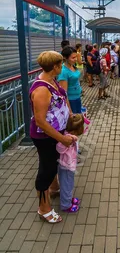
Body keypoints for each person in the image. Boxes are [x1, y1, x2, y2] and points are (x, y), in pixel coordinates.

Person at [29, 51, 78, 223]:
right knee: (46, 170)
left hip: (55, 133)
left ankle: (54, 188)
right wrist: (62, 138)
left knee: (53, 163)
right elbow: (40, 122)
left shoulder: (52, 80)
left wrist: (69, 115)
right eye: (60, 64)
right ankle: (44, 209)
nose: (62, 66)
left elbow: (61, 101)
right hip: (45, 137)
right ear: (55, 67)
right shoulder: (42, 89)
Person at [56, 136, 80, 212]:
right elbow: (59, 147)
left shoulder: (70, 138)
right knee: (66, 185)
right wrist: (66, 140)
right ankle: (66, 205)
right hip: (66, 167)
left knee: (69, 184)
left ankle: (68, 199)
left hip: (70, 166)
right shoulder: (65, 141)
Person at [58, 47, 82, 114]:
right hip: (71, 100)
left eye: (76, 57)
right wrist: (70, 111)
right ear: (65, 58)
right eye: (73, 58)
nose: (76, 59)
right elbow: (63, 93)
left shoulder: (72, 66)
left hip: (77, 97)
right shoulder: (63, 72)